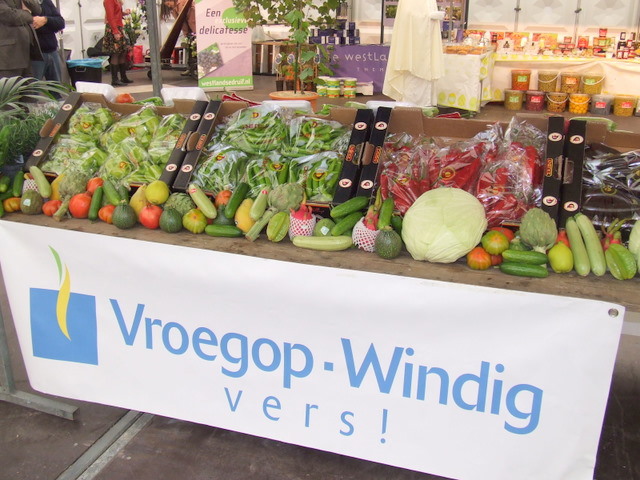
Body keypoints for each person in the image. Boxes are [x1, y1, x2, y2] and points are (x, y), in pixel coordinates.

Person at [0, 0, 43, 79]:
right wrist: (28, 13)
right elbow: (10, 16)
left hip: (26, 53)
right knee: (11, 86)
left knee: (30, 86)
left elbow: (38, 10)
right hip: (8, 58)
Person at [31, 0, 65, 83]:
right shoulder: (24, 3)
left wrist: (45, 20)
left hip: (53, 51)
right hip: (35, 55)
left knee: (57, 88)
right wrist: (50, 25)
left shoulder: (46, 1)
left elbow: (61, 22)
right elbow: (32, 25)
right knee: (34, 88)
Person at [162, 0, 196, 77]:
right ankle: (190, 68)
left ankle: (194, 68)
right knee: (190, 49)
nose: (169, 6)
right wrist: (186, 34)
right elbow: (182, 23)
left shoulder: (183, 2)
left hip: (194, 27)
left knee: (194, 49)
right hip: (189, 30)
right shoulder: (174, 9)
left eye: (168, 3)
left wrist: (195, 32)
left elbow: (192, 19)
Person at [103, 0, 132, 86]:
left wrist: (124, 13)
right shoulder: (109, 1)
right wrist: (115, 31)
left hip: (119, 26)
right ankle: (114, 79)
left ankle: (123, 77)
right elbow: (110, 17)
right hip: (113, 28)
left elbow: (117, 13)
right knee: (116, 53)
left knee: (123, 52)